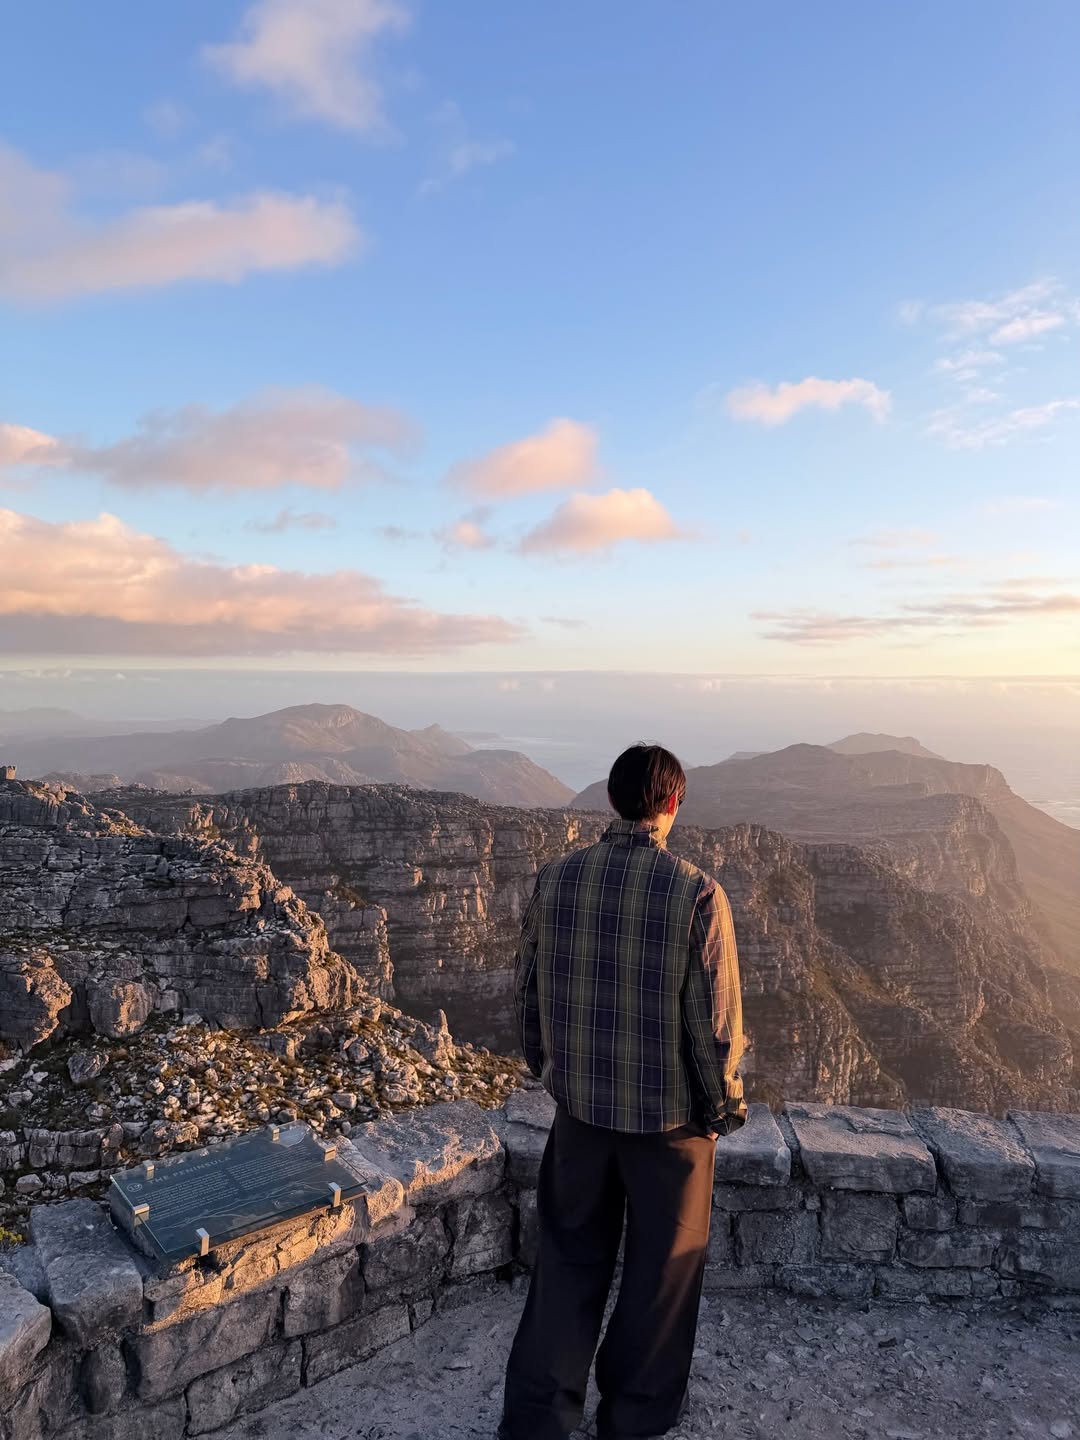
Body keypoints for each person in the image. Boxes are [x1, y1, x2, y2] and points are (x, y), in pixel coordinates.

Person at [499, 743, 746, 1440]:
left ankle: (538, 1419)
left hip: (579, 1113)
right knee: (661, 1274)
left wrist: (544, 1067)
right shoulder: (697, 892)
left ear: (609, 800)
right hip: (669, 1126)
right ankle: (634, 1418)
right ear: (673, 804)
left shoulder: (557, 878)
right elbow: (714, 1025)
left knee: (568, 1262)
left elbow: (528, 987)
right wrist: (720, 1108)